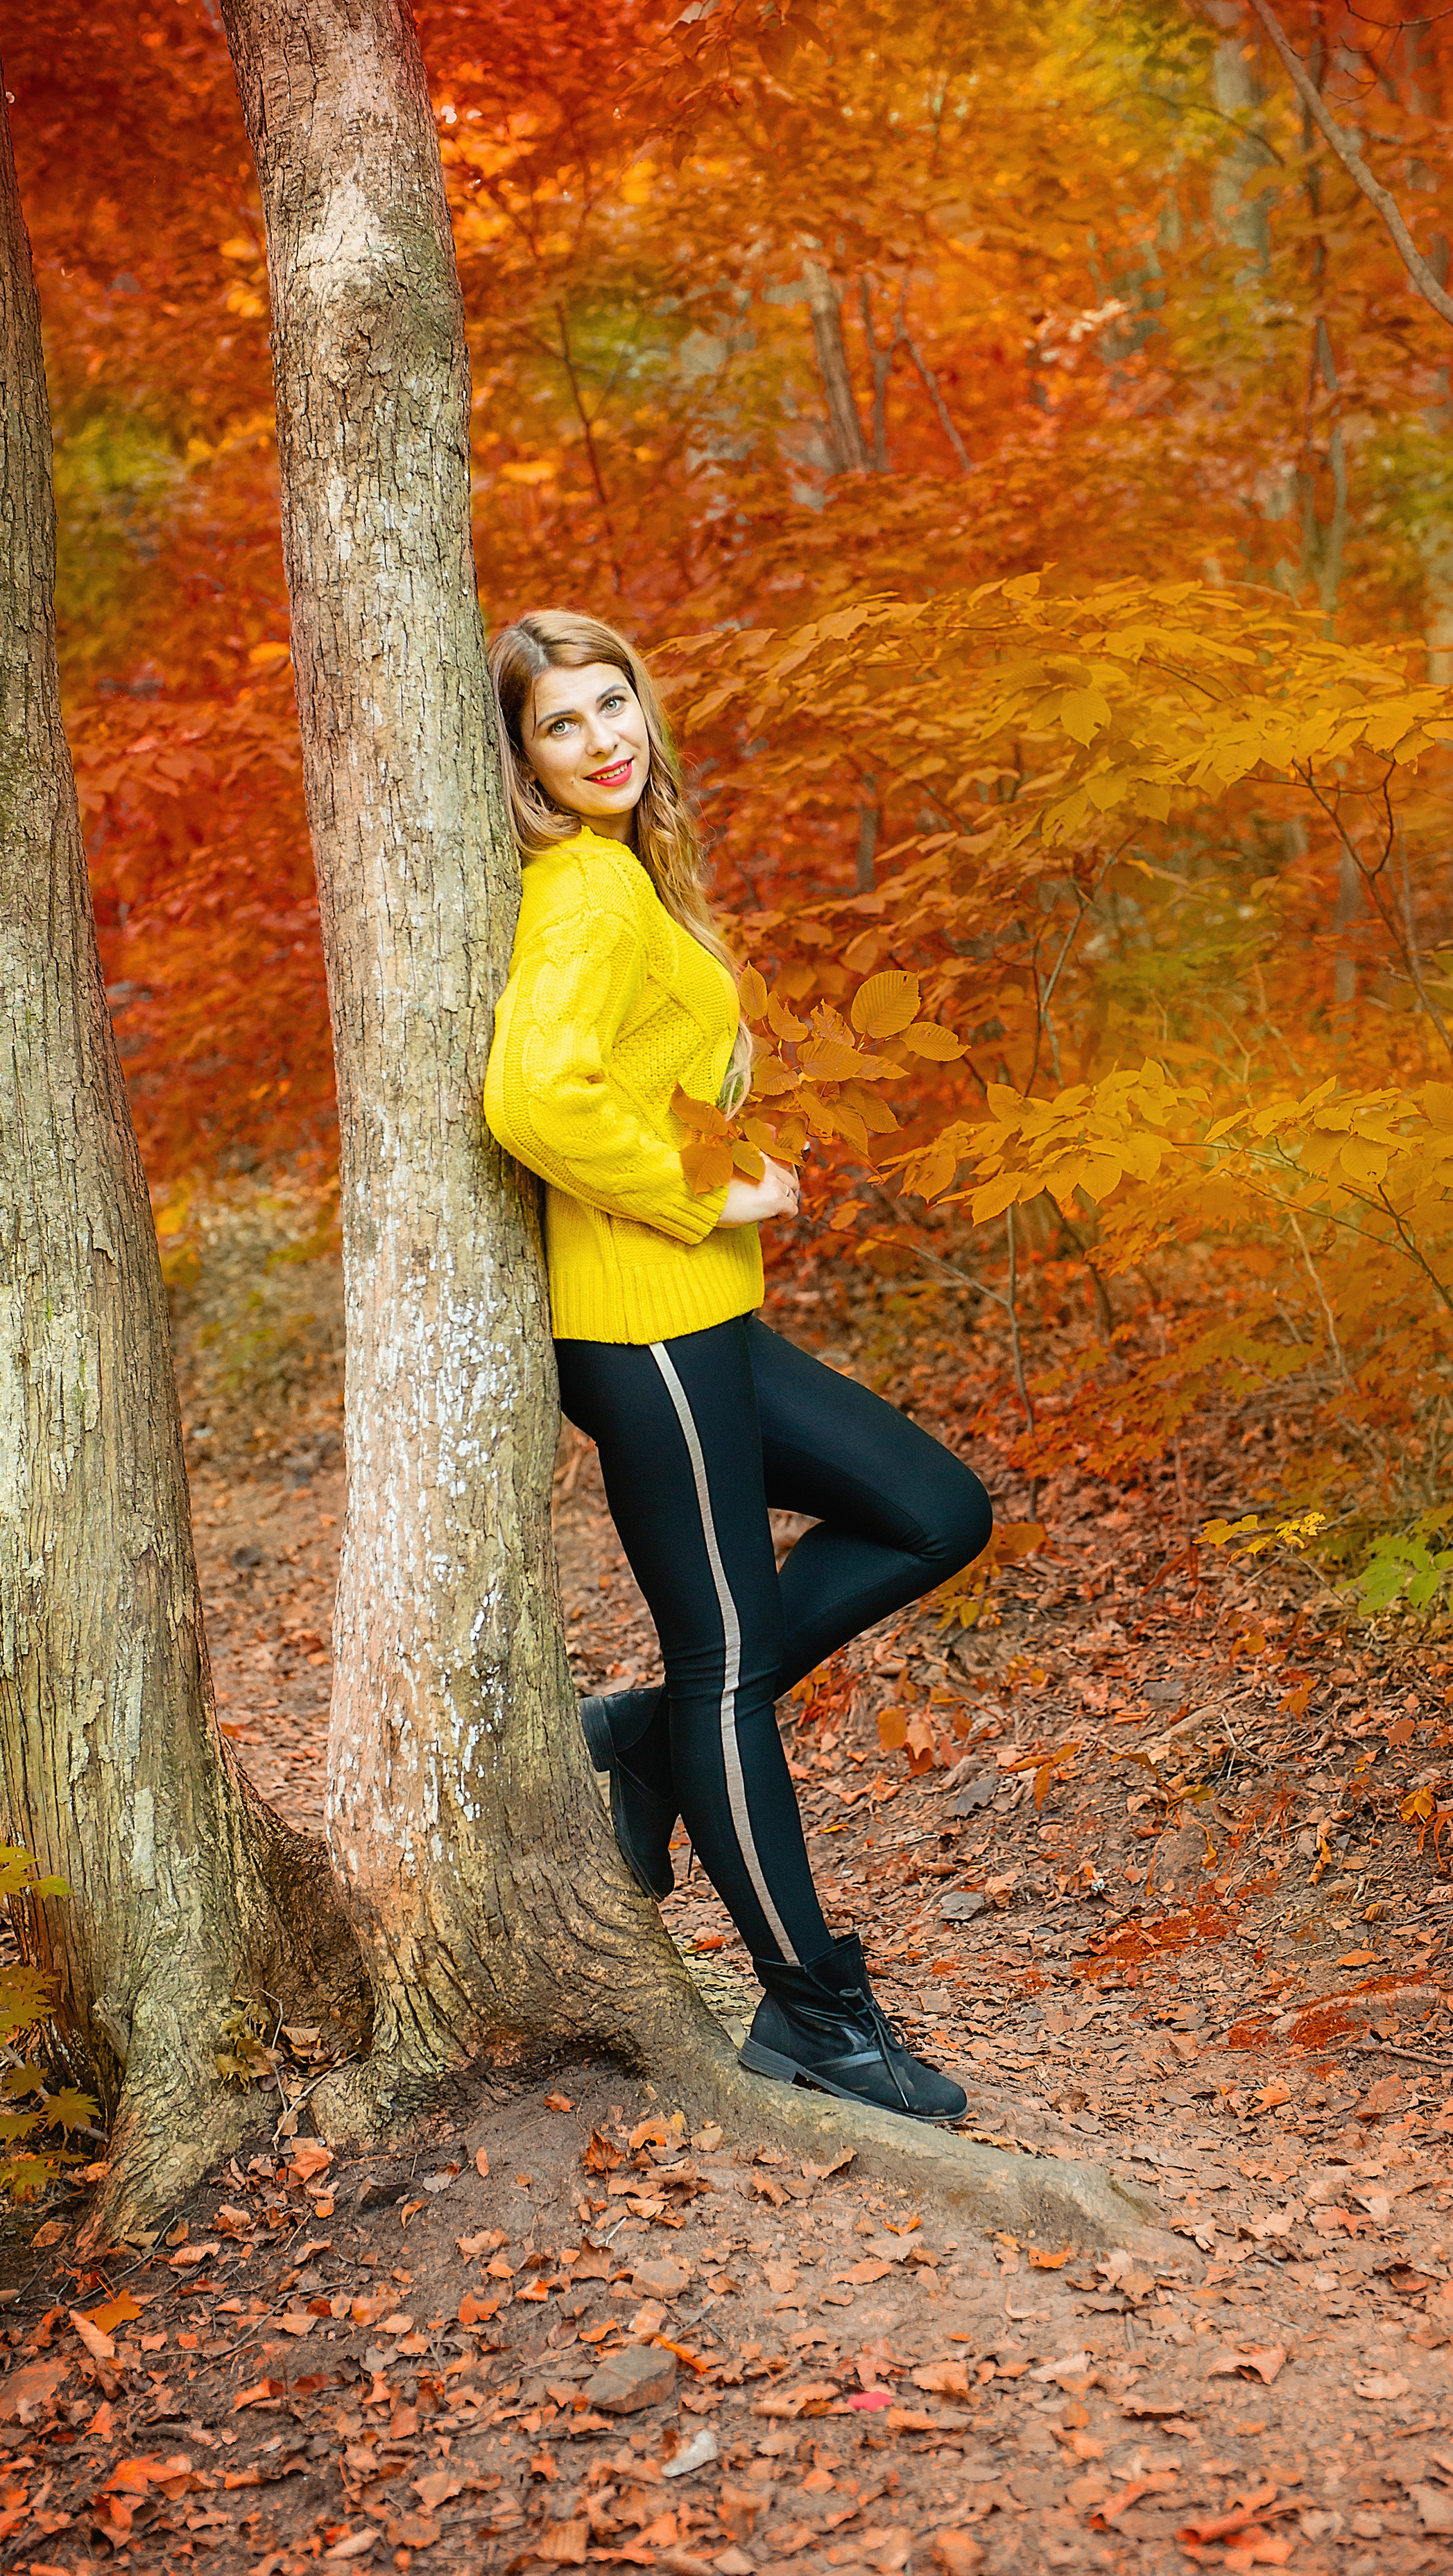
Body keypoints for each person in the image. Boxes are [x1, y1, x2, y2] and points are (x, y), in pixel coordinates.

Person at [482, 609, 993, 2123]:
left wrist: (727, 1163)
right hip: (640, 1320)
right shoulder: (585, 888)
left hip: (698, 1310)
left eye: (614, 702)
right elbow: (535, 1097)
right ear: (520, 761)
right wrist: (707, 1195)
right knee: (731, 1666)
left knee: (934, 1511)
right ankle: (813, 2012)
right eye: (561, 724)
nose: (602, 739)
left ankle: (644, 1742)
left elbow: (629, 1081)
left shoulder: (630, 875)